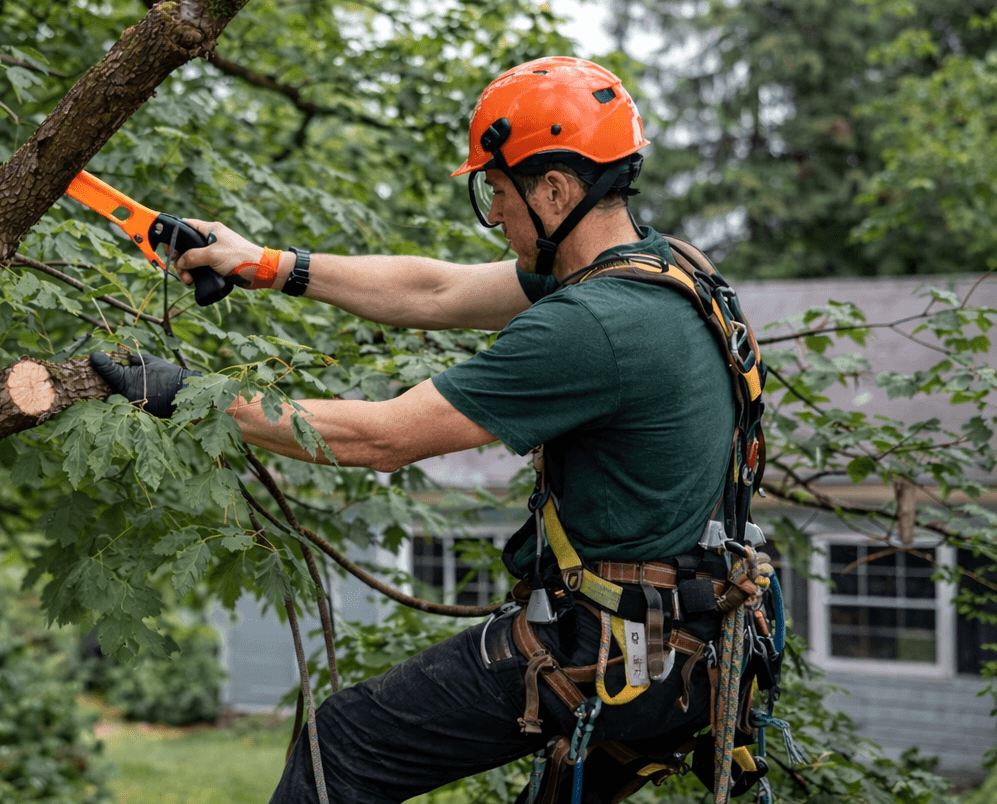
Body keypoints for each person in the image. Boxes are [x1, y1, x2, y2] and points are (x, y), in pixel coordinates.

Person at [90, 56, 773, 804]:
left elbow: (378, 438)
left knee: (343, 743)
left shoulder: (593, 327)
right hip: (686, 648)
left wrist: (193, 395)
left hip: (611, 649)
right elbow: (437, 289)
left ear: (556, 189)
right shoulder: (668, 269)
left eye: (499, 191)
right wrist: (264, 263)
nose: (496, 213)